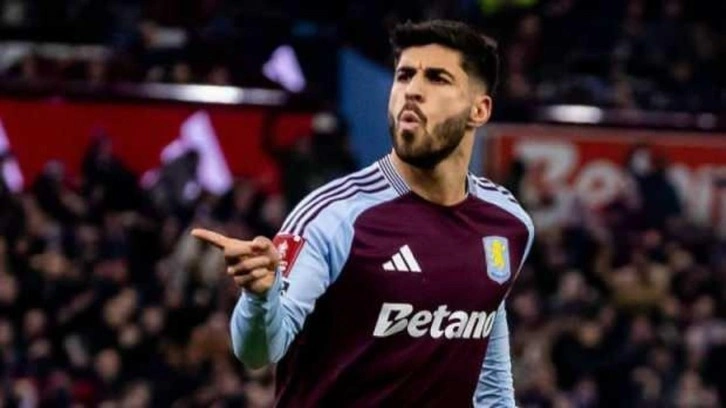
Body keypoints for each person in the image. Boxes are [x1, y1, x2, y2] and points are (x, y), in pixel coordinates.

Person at [192, 20, 534, 407]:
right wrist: (259, 297)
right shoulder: (334, 216)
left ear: (479, 110)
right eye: (404, 75)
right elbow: (258, 352)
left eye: (437, 78)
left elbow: (491, 383)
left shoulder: (508, 224)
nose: (412, 90)